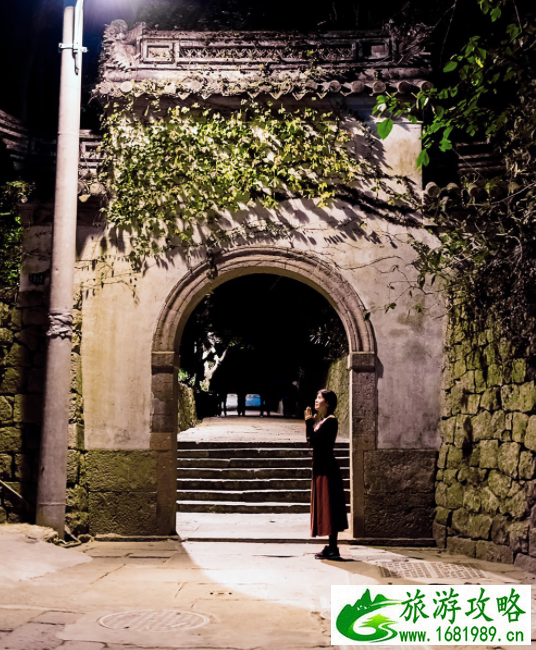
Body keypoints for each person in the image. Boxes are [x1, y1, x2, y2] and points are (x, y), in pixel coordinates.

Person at [305, 389, 348, 560]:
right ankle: (331, 547)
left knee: (331, 508)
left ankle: (333, 547)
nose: (316, 400)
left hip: (327, 469)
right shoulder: (323, 421)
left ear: (328, 403)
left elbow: (312, 441)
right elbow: (311, 440)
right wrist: (312, 422)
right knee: (328, 508)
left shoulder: (331, 421)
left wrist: (308, 421)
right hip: (322, 468)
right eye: (316, 397)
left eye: (320, 398)